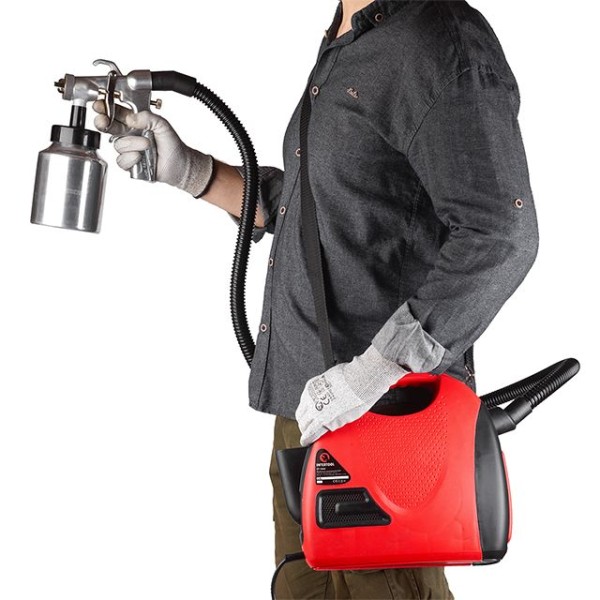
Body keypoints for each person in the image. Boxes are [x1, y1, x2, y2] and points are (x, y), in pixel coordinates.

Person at [94, 0, 539, 597]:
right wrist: (193, 172)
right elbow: (320, 213)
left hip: (384, 423)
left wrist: (376, 371)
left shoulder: (438, 38)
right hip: (308, 413)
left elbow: (501, 235)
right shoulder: (352, 35)